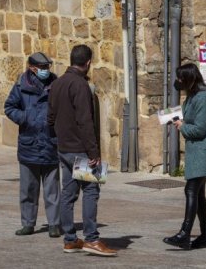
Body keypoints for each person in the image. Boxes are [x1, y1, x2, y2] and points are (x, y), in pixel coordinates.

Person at [48, 44, 117, 256]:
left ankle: (70, 239)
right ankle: (91, 239)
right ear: (88, 63)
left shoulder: (57, 83)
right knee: (90, 191)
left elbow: (50, 118)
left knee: (68, 193)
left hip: (64, 148)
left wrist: (59, 140)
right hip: (80, 149)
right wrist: (93, 152)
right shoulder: (80, 86)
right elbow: (85, 121)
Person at [163, 63, 206, 249]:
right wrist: (177, 119)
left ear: (190, 80)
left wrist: (182, 126)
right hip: (197, 151)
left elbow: (200, 129)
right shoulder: (193, 96)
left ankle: (184, 233)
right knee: (198, 194)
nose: (178, 82)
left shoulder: (204, 98)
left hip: (204, 151)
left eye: (180, 79)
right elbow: (191, 120)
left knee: (191, 190)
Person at [4, 52, 61, 238]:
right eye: (42, 68)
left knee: (52, 189)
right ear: (32, 68)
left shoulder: (56, 85)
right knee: (28, 189)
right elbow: (9, 107)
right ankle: (28, 224)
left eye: (47, 67)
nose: (46, 71)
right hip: (29, 144)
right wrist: (25, 118)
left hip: (51, 143)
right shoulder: (21, 86)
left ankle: (54, 224)